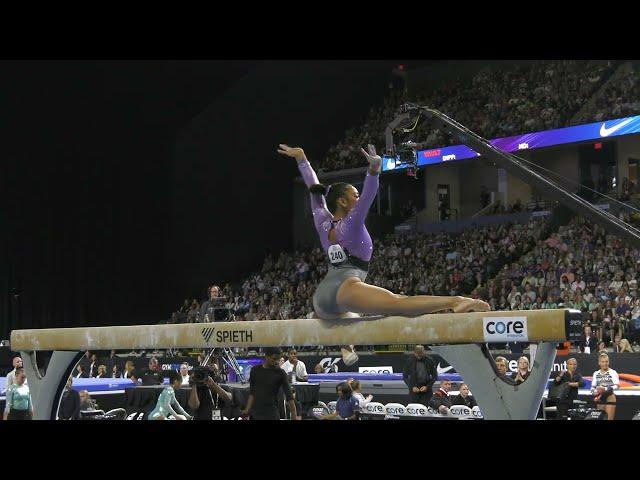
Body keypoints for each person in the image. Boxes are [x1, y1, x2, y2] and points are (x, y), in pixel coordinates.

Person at [277, 143, 489, 321]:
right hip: (346, 289)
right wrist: (373, 170)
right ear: (342, 201)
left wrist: (302, 160)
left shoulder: (322, 220)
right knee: (399, 304)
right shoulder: (352, 222)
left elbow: (314, 189)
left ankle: (346, 347)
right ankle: (456, 301)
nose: (358, 199)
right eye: (355, 195)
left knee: (368, 314)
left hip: (322, 298)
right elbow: (369, 195)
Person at [241, 347, 298, 420]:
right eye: (274, 359)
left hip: (271, 413)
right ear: (266, 356)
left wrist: (294, 416)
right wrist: (247, 410)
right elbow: (252, 393)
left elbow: (289, 397)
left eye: (278, 359)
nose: (277, 362)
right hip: (255, 413)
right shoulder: (255, 370)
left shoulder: (280, 373)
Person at [591, 353, 619, 420]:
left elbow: (617, 386)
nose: (605, 363)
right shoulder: (596, 373)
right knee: (600, 418)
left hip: (610, 397)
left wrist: (605, 388)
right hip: (600, 398)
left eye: (606, 361)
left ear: (609, 362)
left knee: (609, 419)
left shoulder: (613, 372)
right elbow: (592, 387)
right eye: (603, 362)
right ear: (599, 363)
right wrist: (594, 392)